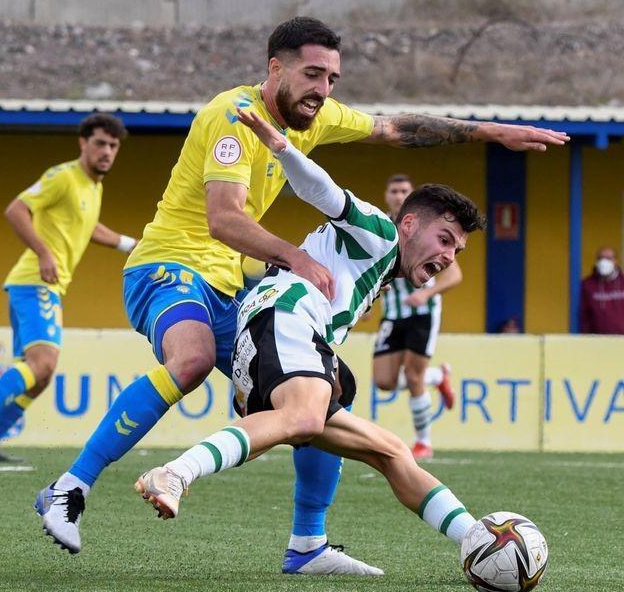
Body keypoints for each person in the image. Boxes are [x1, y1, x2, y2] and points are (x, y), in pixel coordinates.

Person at [33, 17, 567, 566]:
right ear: (275, 68)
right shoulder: (232, 117)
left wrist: (489, 133)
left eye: (333, 78)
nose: (324, 90)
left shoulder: (316, 118)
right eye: (313, 74)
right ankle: (71, 487)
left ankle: (308, 543)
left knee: (329, 402)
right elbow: (223, 220)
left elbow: (392, 129)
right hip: (171, 264)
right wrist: (293, 256)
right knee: (191, 360)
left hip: (233, 288)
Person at [134, 105, 486, 565]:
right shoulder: (380, 231)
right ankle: (176, 473)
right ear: (411, 223)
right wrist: (282, 148)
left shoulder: (381, 267)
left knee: (390, 450)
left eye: (456, 249)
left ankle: (476, 537)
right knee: (304, 417)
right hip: (284, 318)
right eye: (444, 239)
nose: (448, 255)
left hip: (286, 334)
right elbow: (323, 190)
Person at [0, 114, 136, 462]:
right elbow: (16, 210)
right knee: (43, 363)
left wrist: (131, 245)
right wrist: (44, 252)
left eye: (113, 146)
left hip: (45, 286)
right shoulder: (63, 176)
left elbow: (89, 227)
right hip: (35, 282)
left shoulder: (93, 187)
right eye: (100, 143)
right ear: (83, 143)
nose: (107, 151)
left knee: (40, 375)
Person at [372, 173, 459, 462]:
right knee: (383, 381)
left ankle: (423, 442)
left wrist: (425, 294)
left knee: (412, 375)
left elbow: (454, 274)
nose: (398, 195)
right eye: (394, 190)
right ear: (387, 195)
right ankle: (437, 377)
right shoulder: (380, 225)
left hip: (423, 311)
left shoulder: (427, 226)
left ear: (412, 196)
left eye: (404, 191)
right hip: (392, 314)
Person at [578, 246, 624, 335]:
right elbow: (583, 316)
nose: (604, 262)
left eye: (608, 258)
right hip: (597, 342)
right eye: (600, 258)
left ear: (616, 261)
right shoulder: (587, 285)